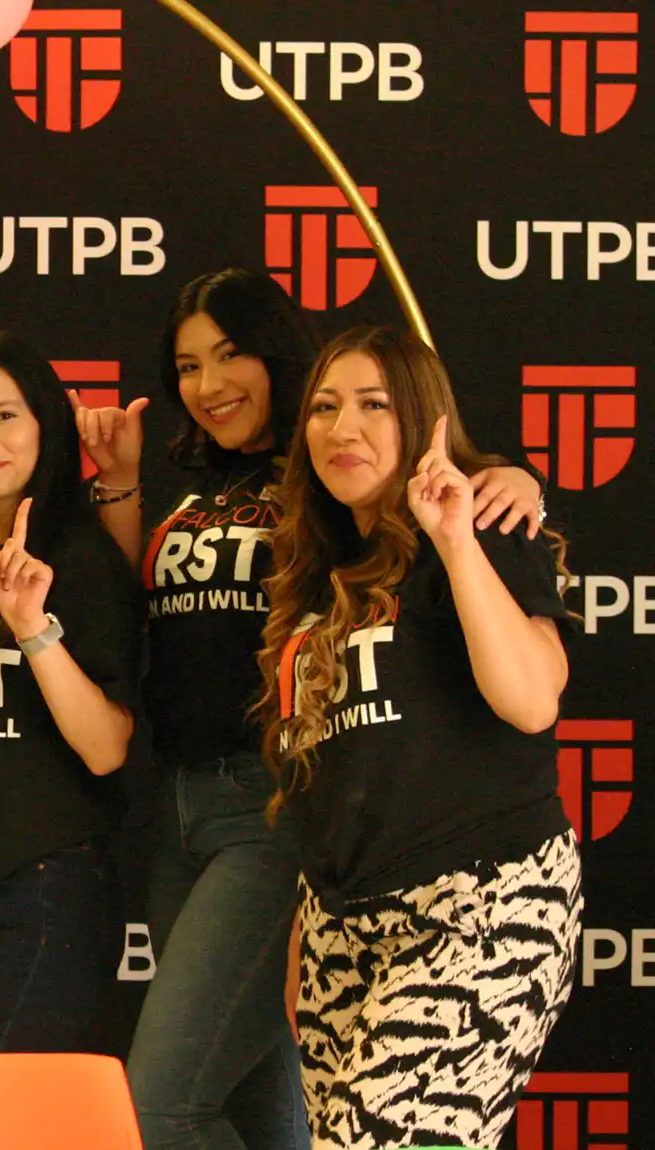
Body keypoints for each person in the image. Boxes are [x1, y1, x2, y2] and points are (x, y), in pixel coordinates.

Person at [74, 271, 544, 1150]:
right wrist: (123, 487)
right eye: (186, 365)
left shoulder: (336, 485)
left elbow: (463, 523)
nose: (209, 384)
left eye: (230, 354)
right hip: (181, 806)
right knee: (251, 1097)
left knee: (164, 1100)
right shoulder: (197, 492)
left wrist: (511, 480)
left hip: (282, 806)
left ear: (278, 356)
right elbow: (123, 616)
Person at [259, 326, 581, 1150]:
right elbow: (330, 765)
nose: (342, 429)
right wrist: (313, 914)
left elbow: (534, 698)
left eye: (375, 405)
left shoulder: (483, 527)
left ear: (422, 421)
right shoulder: (315, 571)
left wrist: (455, 538)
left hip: (482, 903)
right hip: (344, 921)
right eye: (324, 408)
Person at [0, 331, 140, 1054]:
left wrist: (34, 631)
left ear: (46, 421)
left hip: (50, 893)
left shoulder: (79, 555)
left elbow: (108, 748)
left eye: (6, 415)